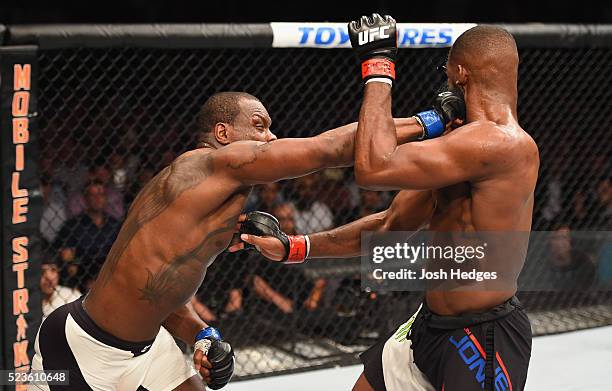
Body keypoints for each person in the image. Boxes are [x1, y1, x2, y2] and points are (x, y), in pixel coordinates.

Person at [30, 91, 429, 391]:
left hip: (150, 347)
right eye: (259, 126)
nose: (270, 138)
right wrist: (432, 121)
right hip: (80, 346)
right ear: (223, 133)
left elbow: (159, 288)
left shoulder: (215, 206)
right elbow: (325, 150)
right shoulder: (206, 164)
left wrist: (204, 335)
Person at [238, 19, 539, 391]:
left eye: (446, 74)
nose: (444, 83)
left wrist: (378, 67)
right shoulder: (460, 146)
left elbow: (374, 167)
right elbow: (388, 225)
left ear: (460, 72)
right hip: (428, 323)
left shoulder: (501, 143)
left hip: (480, 337)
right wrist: (296, 247)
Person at [54, 180, 122, 291]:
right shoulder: (73, 226)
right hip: (83, 274)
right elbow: (66, 256)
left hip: (110, 272)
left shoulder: (115, 224)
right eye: (93, 195)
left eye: (101, 194)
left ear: (106, 198)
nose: (97, 198)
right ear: (85, 198)